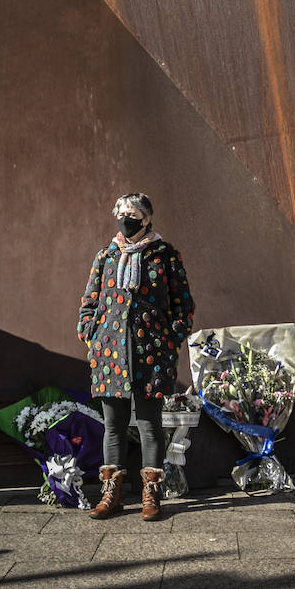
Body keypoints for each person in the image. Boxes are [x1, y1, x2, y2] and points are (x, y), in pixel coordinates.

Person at [77, 193, 194, 521]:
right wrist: (89, 331)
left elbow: (183, 304)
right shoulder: (106, 255)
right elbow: (90, 299)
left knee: (148, 423)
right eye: (121, 213)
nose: (124, 219)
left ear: (145, 218)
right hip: (109, 350)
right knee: (112, 425)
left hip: (151, 352)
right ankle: (111, 494)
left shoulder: (165, 255)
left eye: (131, 214)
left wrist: (172, 338)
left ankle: (151, 494)